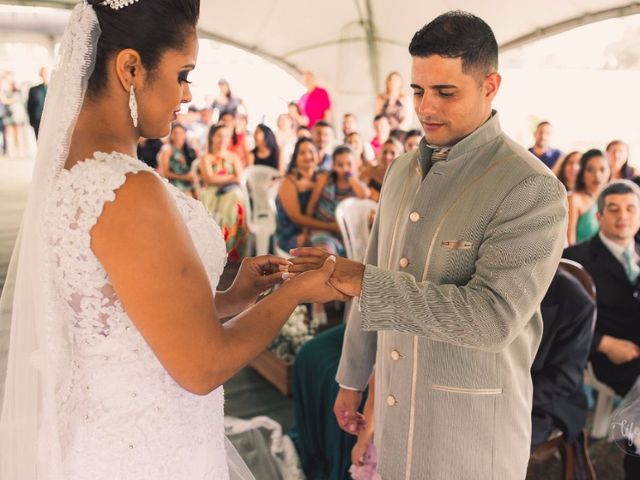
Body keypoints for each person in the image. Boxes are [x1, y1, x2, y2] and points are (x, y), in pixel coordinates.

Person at [0, 3, 346, 477]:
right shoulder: (126, 191)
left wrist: (230, 299)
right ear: (131, 68)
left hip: (105, 439)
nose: (187, 93)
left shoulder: (71, 173)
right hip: (150, 455)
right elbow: (202, 366)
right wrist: (296, 292)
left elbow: (118, 315)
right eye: (184, 74)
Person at [290, 11, 567, 479]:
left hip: (471, 434)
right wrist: (352, 378)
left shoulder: (529, 188)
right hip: (398, 422)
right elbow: (373, 275)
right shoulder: (401, 170)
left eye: (445, 92)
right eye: (418, 91)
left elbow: (493, 318)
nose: (426, 108)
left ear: (490, 85)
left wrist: (362, 279)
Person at [563, 180, 640, 480]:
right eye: (614, 209)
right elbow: (558, 325)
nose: (624, 215)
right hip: (607, 355)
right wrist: (603, 343)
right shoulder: (575, 259)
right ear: (598, 217)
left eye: (631, 208)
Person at [275, 137, 340, 253]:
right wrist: (330, 227)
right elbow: (297, 218)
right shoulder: (288, 182)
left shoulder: (322, 178)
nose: (307, 156)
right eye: (302, 153)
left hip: (319, 229)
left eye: (311, 152)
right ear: (295, 159)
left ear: (318, 156)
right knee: (324, 251)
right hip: (293, 234)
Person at [199, 124, 248, 260]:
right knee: (236, 196)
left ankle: (230, 246)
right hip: (212, 194)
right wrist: (231, 177)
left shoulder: (233, 156)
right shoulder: (206, 157)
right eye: (219, 136)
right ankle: (220, 248)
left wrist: (220, 178)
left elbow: (240, 178)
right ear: (212, 137)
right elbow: (209, 179)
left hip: (231, 193)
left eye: (226, 136)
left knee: (236, 196)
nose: (223, 139)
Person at [566, 149, 610, 245]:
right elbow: (570, 245)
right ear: (582, 173)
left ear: (609, 171)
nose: (597, 175)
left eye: (602, 169)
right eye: (590, 170)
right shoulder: (574, 200)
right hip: (580, 258)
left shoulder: (612, 199)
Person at [156, 122, 197, 196]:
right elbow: (165, 173)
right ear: (171, 135)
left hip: (191, 185)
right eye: (175, 133)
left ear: (185, 135)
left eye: (181, 133)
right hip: (175, 185)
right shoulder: (167, 150)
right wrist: (184, 177)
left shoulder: (190, 151)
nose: (178, 136)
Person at [26, 66, 48, 138]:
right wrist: (31, 121)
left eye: (46, 73)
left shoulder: (54, 88)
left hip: (50, 119)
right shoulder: (34, 89)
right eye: (43, 73)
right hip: (38, 120)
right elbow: (30, 106)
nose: (45, 75)